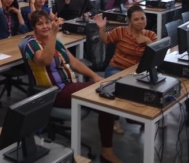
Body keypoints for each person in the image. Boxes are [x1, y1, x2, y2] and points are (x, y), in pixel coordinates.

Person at [23, 10, 120, 163]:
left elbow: (74, 63)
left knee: (104, 103)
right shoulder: (31, 45)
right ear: (34, 27)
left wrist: (94, 76)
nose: (45, 26)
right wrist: (53, 34)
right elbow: (45, 60)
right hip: (54, 92)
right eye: (40, 24)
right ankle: (103, 154)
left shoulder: (56, 42)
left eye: (47, 22)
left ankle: (107, 152)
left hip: (69, 86)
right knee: (102, 95)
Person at [95, 6, 157, 135]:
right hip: (116, 68)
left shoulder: (150, 35)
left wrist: (147, 41)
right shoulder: (121, 31)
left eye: (142, 18)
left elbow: (156, 56)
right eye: (136, 19)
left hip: (138, 72)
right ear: (129, 21)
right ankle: (114, 119)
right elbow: (105, 40)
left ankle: (133, 115)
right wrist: (101, 28)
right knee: (120, 87)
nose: (140, 22)